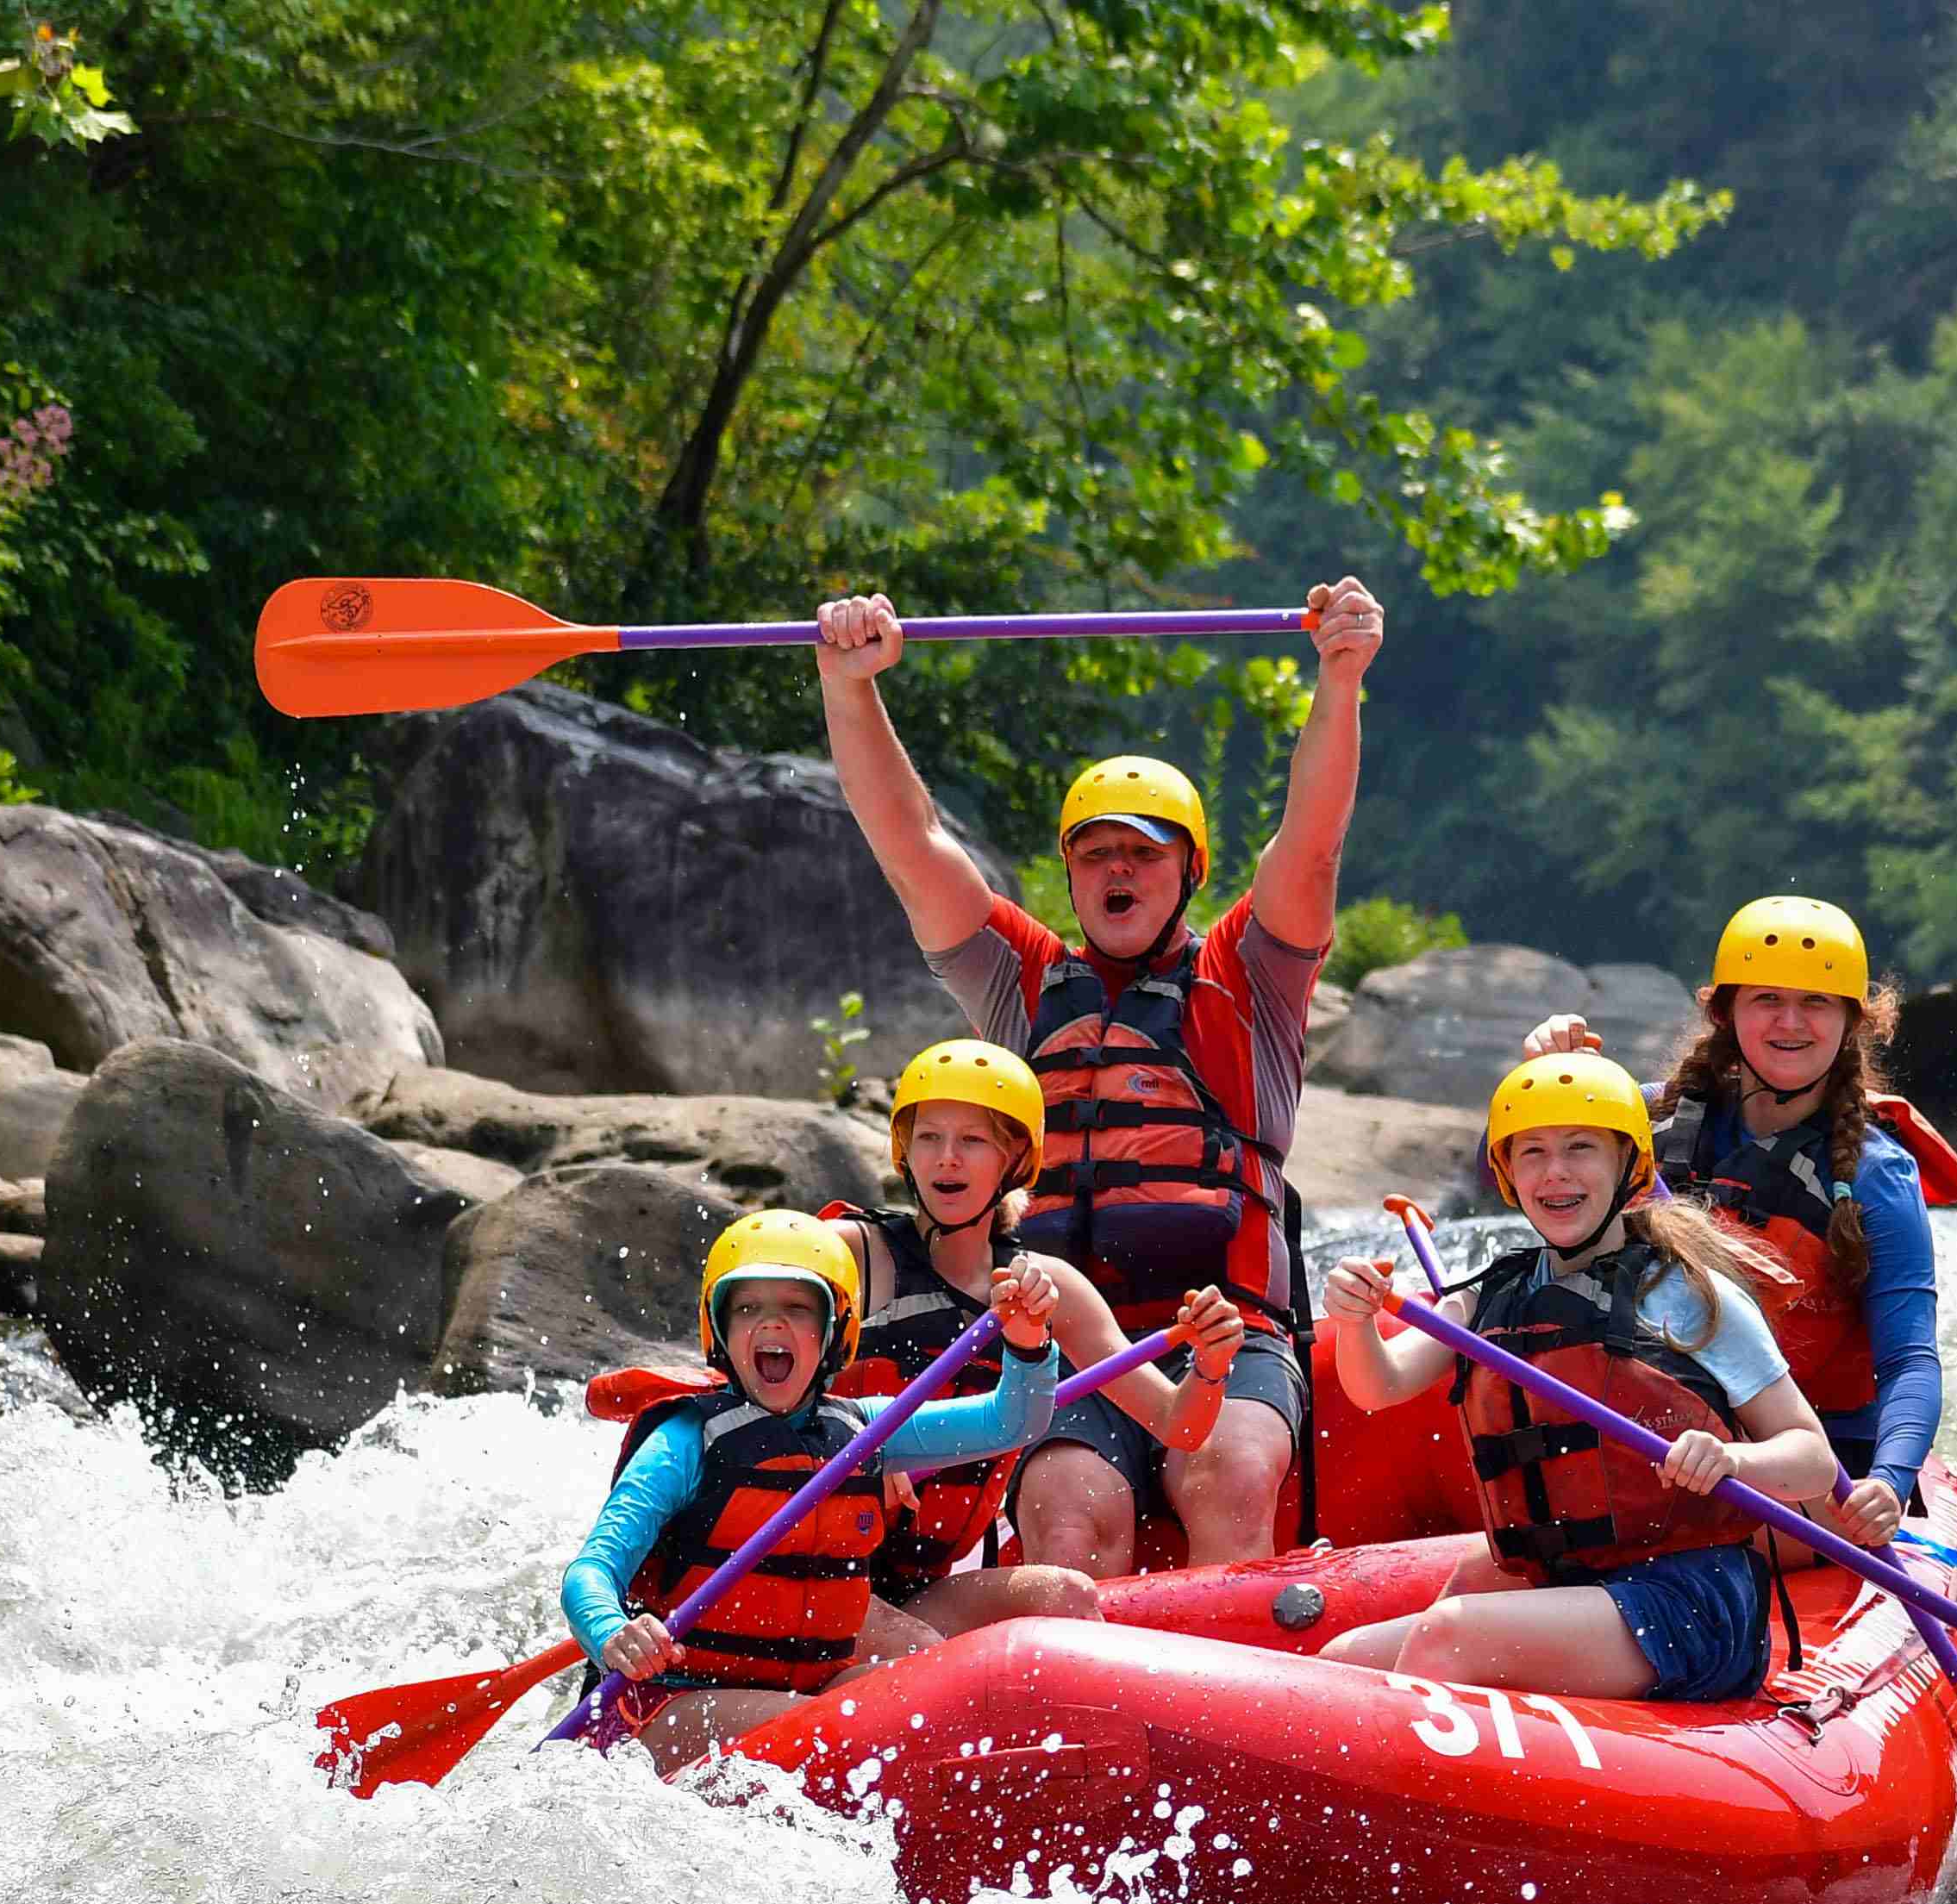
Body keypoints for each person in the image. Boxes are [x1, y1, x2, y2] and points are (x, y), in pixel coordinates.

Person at [813, 576, 1386, 1575]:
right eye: (1095, 853)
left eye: (1143, 853)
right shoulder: (1021, 981)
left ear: (1189, 871)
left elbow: (1314, 842)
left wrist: (1339, 677)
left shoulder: (1250, 975)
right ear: (1070, 872)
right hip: (1064, 1342)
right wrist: (850, 684)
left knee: (1227, 1470)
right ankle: (1086, 1720)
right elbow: (912, 847)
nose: (1118, 870)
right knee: (1067, 1508)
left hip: (1230, 1332)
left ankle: (1231, 1715)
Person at [1308, 1053, 1840, 1702]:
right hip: (1570, 1586)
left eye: (1580, 1148)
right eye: (1531, 1153)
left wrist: (1730, 1460)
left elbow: (1812, 1461)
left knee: (1450, 1635)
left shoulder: (1691, 1296)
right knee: (1341, 1659)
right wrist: (1358, 1321)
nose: (1555, 1172)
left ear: (1629, 1165)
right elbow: (1377, 1386)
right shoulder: (1488, 1298)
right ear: (1508, 1175)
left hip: (1689, 1600)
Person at [1517, 895, 1957, 1547]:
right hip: (1665, 1439)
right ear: (1726, 1012)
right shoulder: (1652, 1120)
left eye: (1816, 1002)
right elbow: (1504, 1165)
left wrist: (1891, 1480)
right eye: (1767, 1000)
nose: (1791, 1022)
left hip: (1815, 1469)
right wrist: (1547, 1078)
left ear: (1852, 1020)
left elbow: (1910, 1359)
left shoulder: (1876, 1175)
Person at [566, 1208, 1060, 1770]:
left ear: (833, 1331)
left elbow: (1012, 1421)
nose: (771, 1325)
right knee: (860, 1718)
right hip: (669, 1704)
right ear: (720, 1330)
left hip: (807, 1693)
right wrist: (612, 1631)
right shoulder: (685, 1443)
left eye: (797, 1309)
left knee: (934, 1687)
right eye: (748, 1308)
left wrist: (1027, 1342)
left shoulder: (864, 1429)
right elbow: (591, 1572)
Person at [828, 1039, 1247, 1633]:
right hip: (815, 1565)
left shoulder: (1047, 1288)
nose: (947, 1158)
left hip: (918, 1585)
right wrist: (861, 1441)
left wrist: (1210, 1366)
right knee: (920, 1650)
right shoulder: (850, 1255)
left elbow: (1180, 1424)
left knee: (1067, 1595)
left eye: (973, 1141)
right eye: (929, 1138)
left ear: (1014, 1160)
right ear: (905, 1152)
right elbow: (760, 1405)